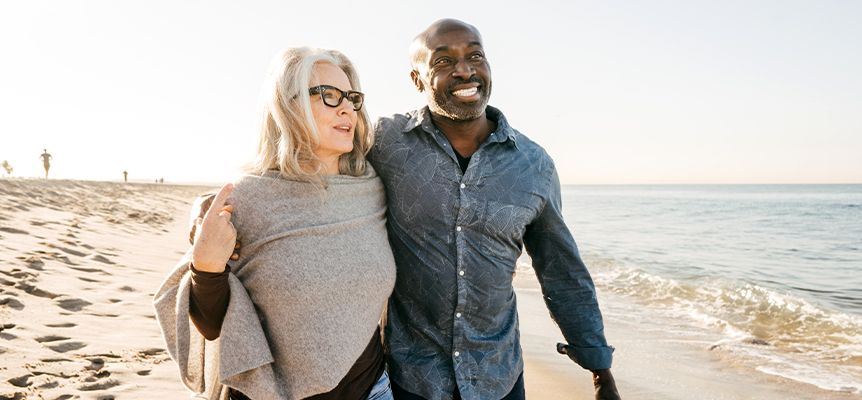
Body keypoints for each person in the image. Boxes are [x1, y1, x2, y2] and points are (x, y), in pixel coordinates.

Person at [366, 19, 620, 399]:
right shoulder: (384, 144)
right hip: (412, 378)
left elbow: (561, 269)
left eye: (475, 56)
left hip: (498, 377)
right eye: (442, 61)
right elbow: (320, 176)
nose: (465, 70)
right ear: (417, 80)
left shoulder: (533, 165)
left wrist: (601, 372)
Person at [153, 47, 396, 400]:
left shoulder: (373, 189)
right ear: (288, 106)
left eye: (352, 98)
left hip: (373, 390)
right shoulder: (247, 201)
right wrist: (205, 266)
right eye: (329, 95)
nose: (347, 108)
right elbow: (210, 326)